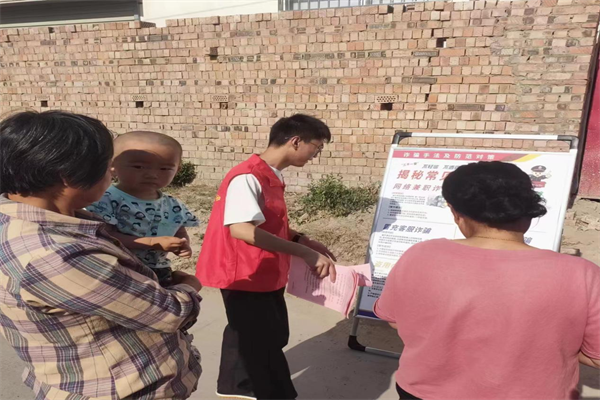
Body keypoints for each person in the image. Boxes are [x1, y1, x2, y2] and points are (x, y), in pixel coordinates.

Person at [0, 111, 203, 399]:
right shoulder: (58, 255)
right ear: (69, 175)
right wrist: (189, 286)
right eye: (108, 168)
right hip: (119, 390)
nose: (111, 176)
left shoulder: (22, 221)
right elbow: (169, 313)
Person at [374, 161, 600, 400]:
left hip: (422, 392)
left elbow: (394, 320)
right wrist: (557, 348)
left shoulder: (420, 255)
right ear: (527, 210)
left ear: (455, 213)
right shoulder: (581, 274)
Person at [196, 114, 338, 400]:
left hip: (264, 271)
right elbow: (242, 229)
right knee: (262, 342)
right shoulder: (248, 176)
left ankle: (235, 388)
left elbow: (267, 222)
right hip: (244, 273)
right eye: (317, 147)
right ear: (296, 141)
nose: (316, 155)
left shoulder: (270, 175)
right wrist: (305, 252)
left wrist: (301, 239)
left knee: (256, 334)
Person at [87, 131, 199, 285]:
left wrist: (182, 245)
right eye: (139, 167)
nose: (152, 174)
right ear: (112, 165)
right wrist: (151, 242)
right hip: (120, 268)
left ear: (177, 170)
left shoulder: (173, 205)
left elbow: (179, 231)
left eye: (164, 169)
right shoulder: (106, 199)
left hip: (160, 270)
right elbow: (104, 236)